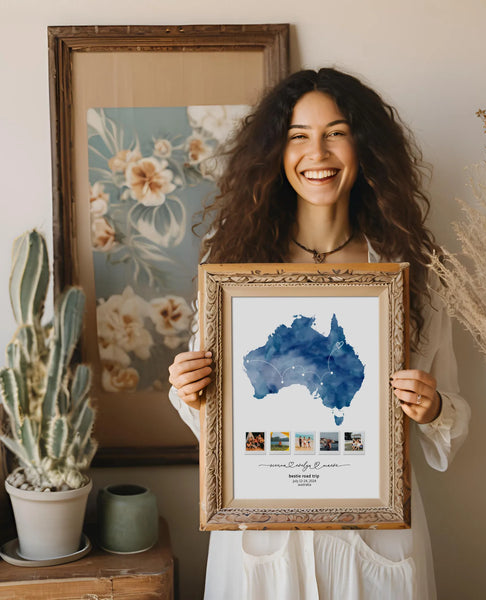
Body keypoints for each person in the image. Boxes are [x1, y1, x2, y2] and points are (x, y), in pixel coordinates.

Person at [168, 67, 470, 600]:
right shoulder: (233, 265)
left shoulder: (408, 270)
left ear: (362, 145)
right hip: (261, 543)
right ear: (276, 154)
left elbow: (450, 419)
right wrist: (191, 388)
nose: (318, 152)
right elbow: (218, 425)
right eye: (298, 136)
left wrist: (433, 408)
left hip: (373, 540)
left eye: (336, 132)